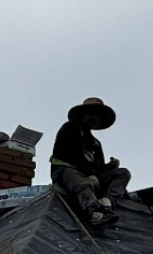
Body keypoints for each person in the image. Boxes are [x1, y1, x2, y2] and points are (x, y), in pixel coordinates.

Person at [50, 97, 131, 227]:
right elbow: (71, 154)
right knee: (83, 182)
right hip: (66, 172)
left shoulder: (96, 143)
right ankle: (94, 212)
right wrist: (88, 173)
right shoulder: (70, 127)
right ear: (83, 114)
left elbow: (98, 168)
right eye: (92, 114)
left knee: (123, 173)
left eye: (98, 117)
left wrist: (110, 167)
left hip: (91, 177)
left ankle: (106, 202)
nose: (95, 119)